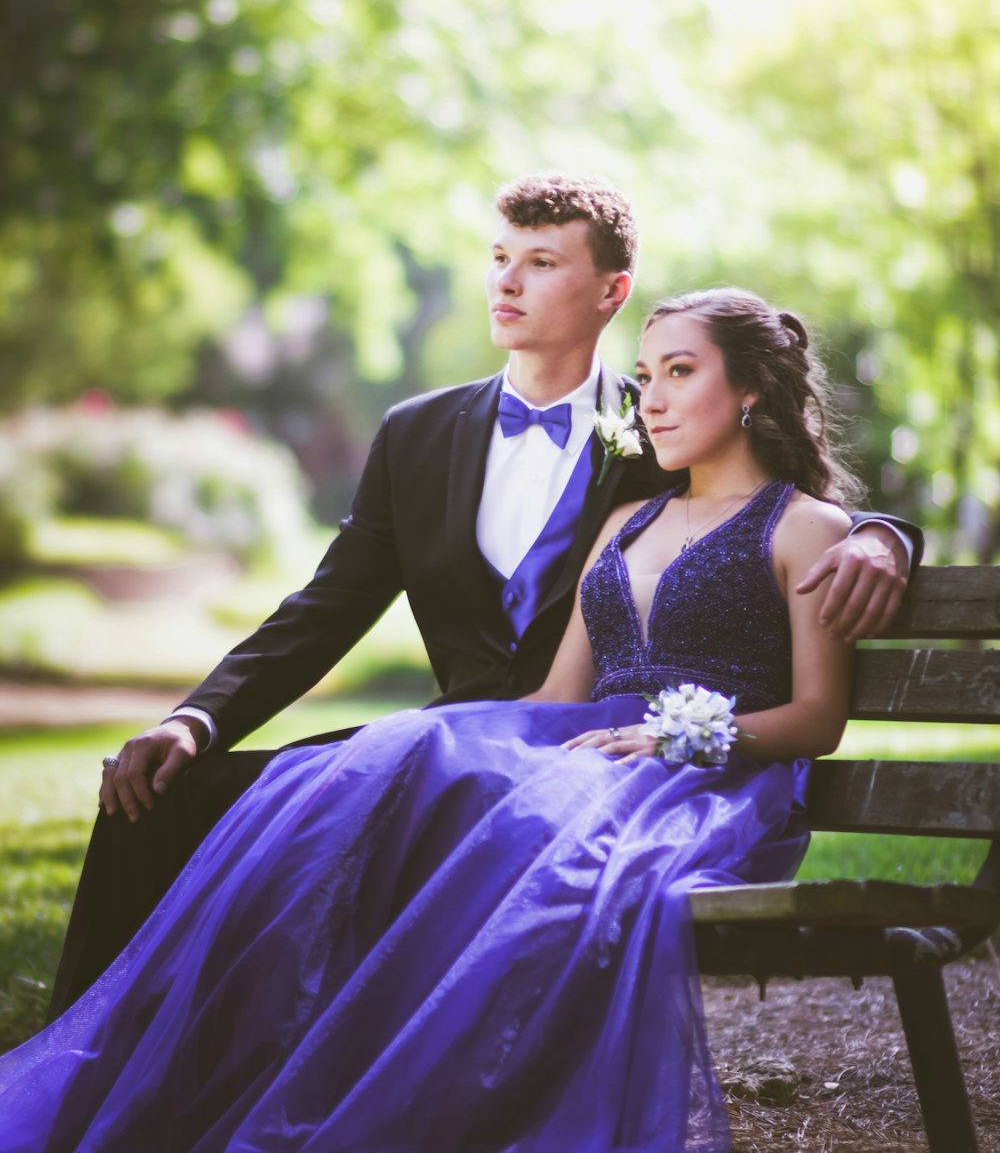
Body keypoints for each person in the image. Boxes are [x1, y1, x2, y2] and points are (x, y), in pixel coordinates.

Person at [1, 287, 860, 1151]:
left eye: (681, 371)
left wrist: (671, 736)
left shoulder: (808, 529)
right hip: (586, 747)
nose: (656, 399)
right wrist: (435, 742)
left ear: (750, 388)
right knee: (391, 762)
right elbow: (553, 702)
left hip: (701, 785)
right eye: (646, 375)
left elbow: (819, 719)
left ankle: (425, 1104)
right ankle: (249, 1059)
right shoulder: (623, 522)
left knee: (513, 831)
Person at [49, 173, 919, 1018]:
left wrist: (886, 535)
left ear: (613, 290)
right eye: (499, 255)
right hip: (463, 737)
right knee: (163, 798)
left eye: (541, 262)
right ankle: (96, 1063)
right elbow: (325, 608)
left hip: (581, 765)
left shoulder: (663, 427)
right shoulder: (416, 434)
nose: (505, 279)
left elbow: (773, 499)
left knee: (362, 843)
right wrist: (192, 720)